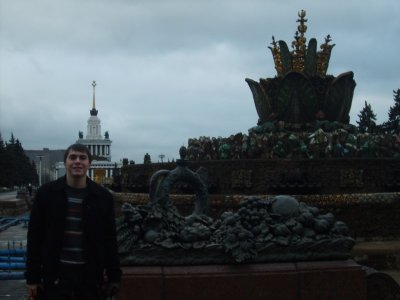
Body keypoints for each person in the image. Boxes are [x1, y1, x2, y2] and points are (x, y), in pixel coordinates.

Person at [25, 143, 122, 300]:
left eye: (83, 158)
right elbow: (35, 238)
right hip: (56, 277)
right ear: (66, 162)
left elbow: (110, 239)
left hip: (89, 279)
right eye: (73, 157)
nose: (77, 161)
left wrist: (114, 276)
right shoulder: (46, 194)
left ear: (88, 163)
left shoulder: (103, 197)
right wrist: (32, 278)